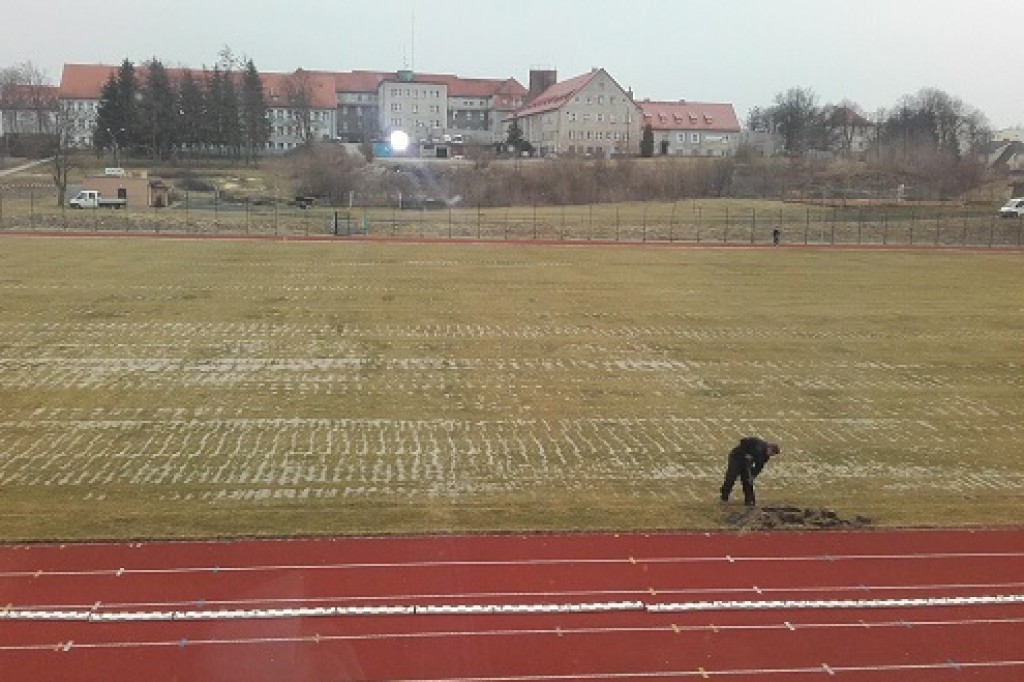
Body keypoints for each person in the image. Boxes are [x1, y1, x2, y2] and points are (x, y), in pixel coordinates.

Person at [720, 437, 780, 506]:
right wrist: (746, 454)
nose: (771, 455)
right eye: (772, 453)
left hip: (747, 463)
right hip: (736, 458)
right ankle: (724, 497)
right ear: (769, 448)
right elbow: (743, 441)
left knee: (748, 480)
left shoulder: (765, 457)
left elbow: (759, 467)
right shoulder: (758, 443)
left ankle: (749, 501)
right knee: (731, 477)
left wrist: (753, 476)